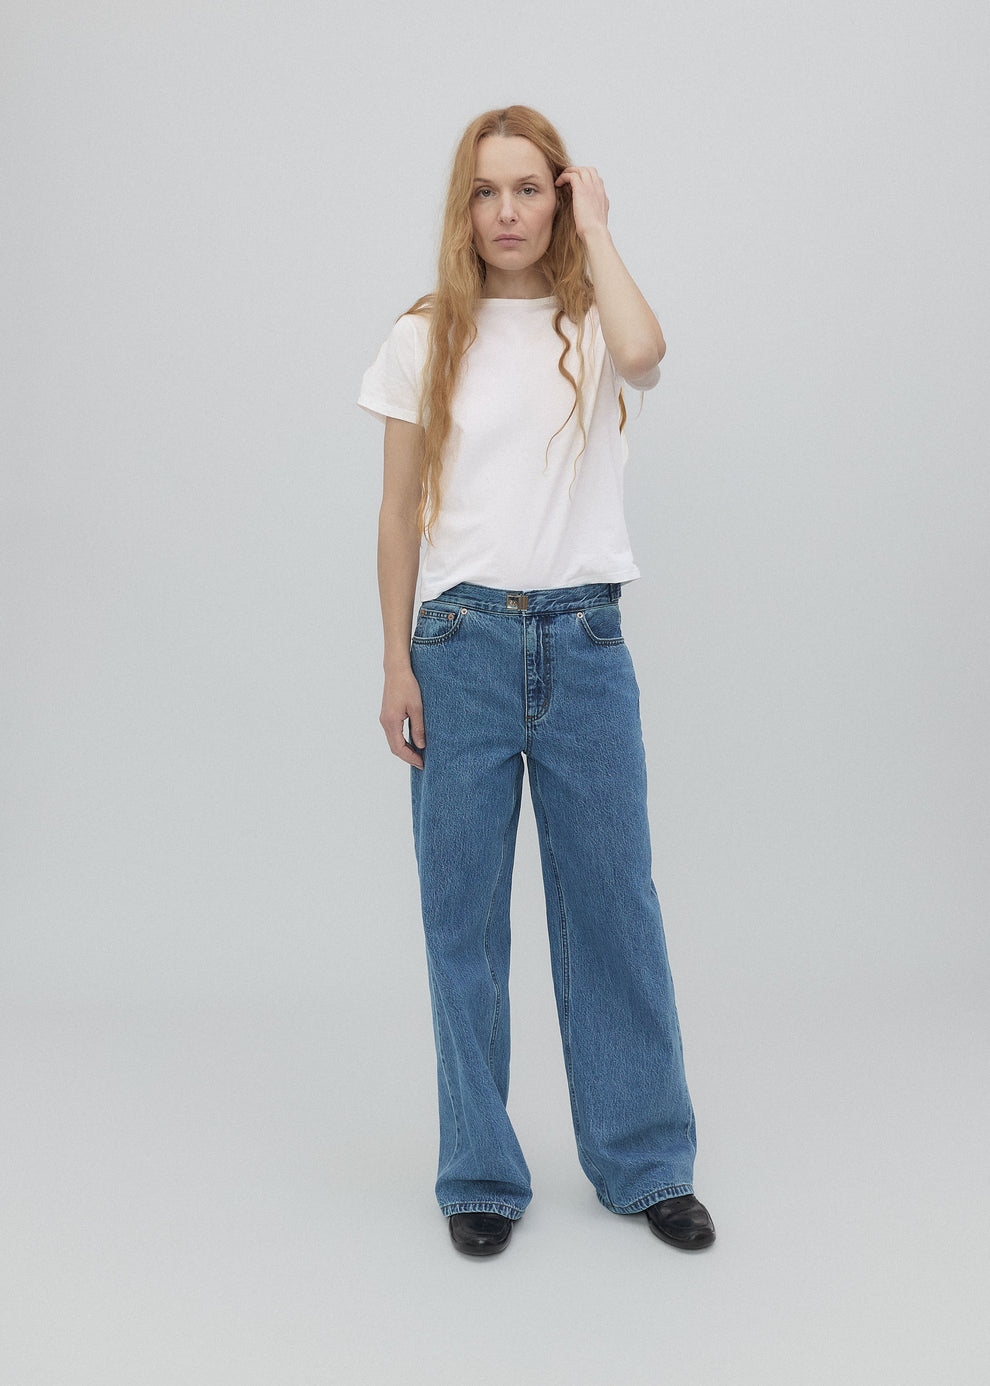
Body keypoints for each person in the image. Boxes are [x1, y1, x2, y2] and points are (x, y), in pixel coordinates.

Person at [359, 105, 715, 1258]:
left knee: (614, 910)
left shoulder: (592, 322)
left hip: (585, 645)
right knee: (461, 920)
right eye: (485, 191)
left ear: (558, 198)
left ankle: (646, 1163)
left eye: (529, 188)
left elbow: (650, 353)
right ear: (461, 209)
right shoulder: (424, 336)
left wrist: (599, 230)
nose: (506, 212)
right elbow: (396, 514)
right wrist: (395, 660)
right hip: (459, 647)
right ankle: (479, 1172)